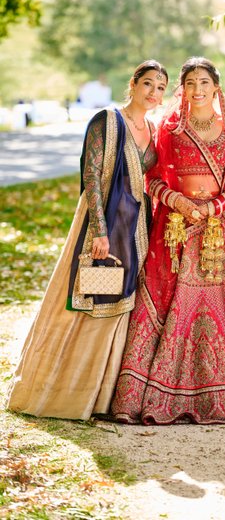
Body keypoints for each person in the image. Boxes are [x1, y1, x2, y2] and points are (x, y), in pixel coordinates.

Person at [6, 60, 169, 420]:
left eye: (160, 87)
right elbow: (92, 175)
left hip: (135, 227)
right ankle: (63, 392)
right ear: (133, 83)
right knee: (90, 293)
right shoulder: (108, 120)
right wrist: (99, 230)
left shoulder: (153, 129)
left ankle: (104, 396)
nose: (154, 93)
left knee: (120, 301)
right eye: (147, 84)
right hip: (103, 224)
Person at [111, 57, 225, 425]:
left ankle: (218, 394)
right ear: (183, 89)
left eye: (204, 82)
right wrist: (181, 203)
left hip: (216, 233)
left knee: (216, 307)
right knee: (161, 299)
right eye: (190, 83)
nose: (198, 89)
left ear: (217, 87)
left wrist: (214, 207)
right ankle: (140, 397)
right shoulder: (169, 129)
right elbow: (152, 180)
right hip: (175, 230)